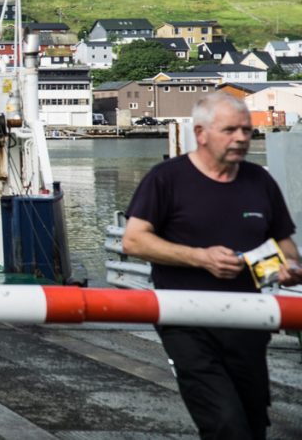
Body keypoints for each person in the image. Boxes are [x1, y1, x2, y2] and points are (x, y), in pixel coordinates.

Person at [123, 92, 302, 440]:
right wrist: (200, 257)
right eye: (230, 130)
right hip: (188, 321)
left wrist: (289, 266)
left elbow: (284, 244)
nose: (241, 138)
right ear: (201, 133)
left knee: (252, 425)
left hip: (247, 320)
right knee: (224, 424)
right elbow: (133, 240)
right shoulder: (166, 179)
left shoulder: (259, 181)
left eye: (247, 131)